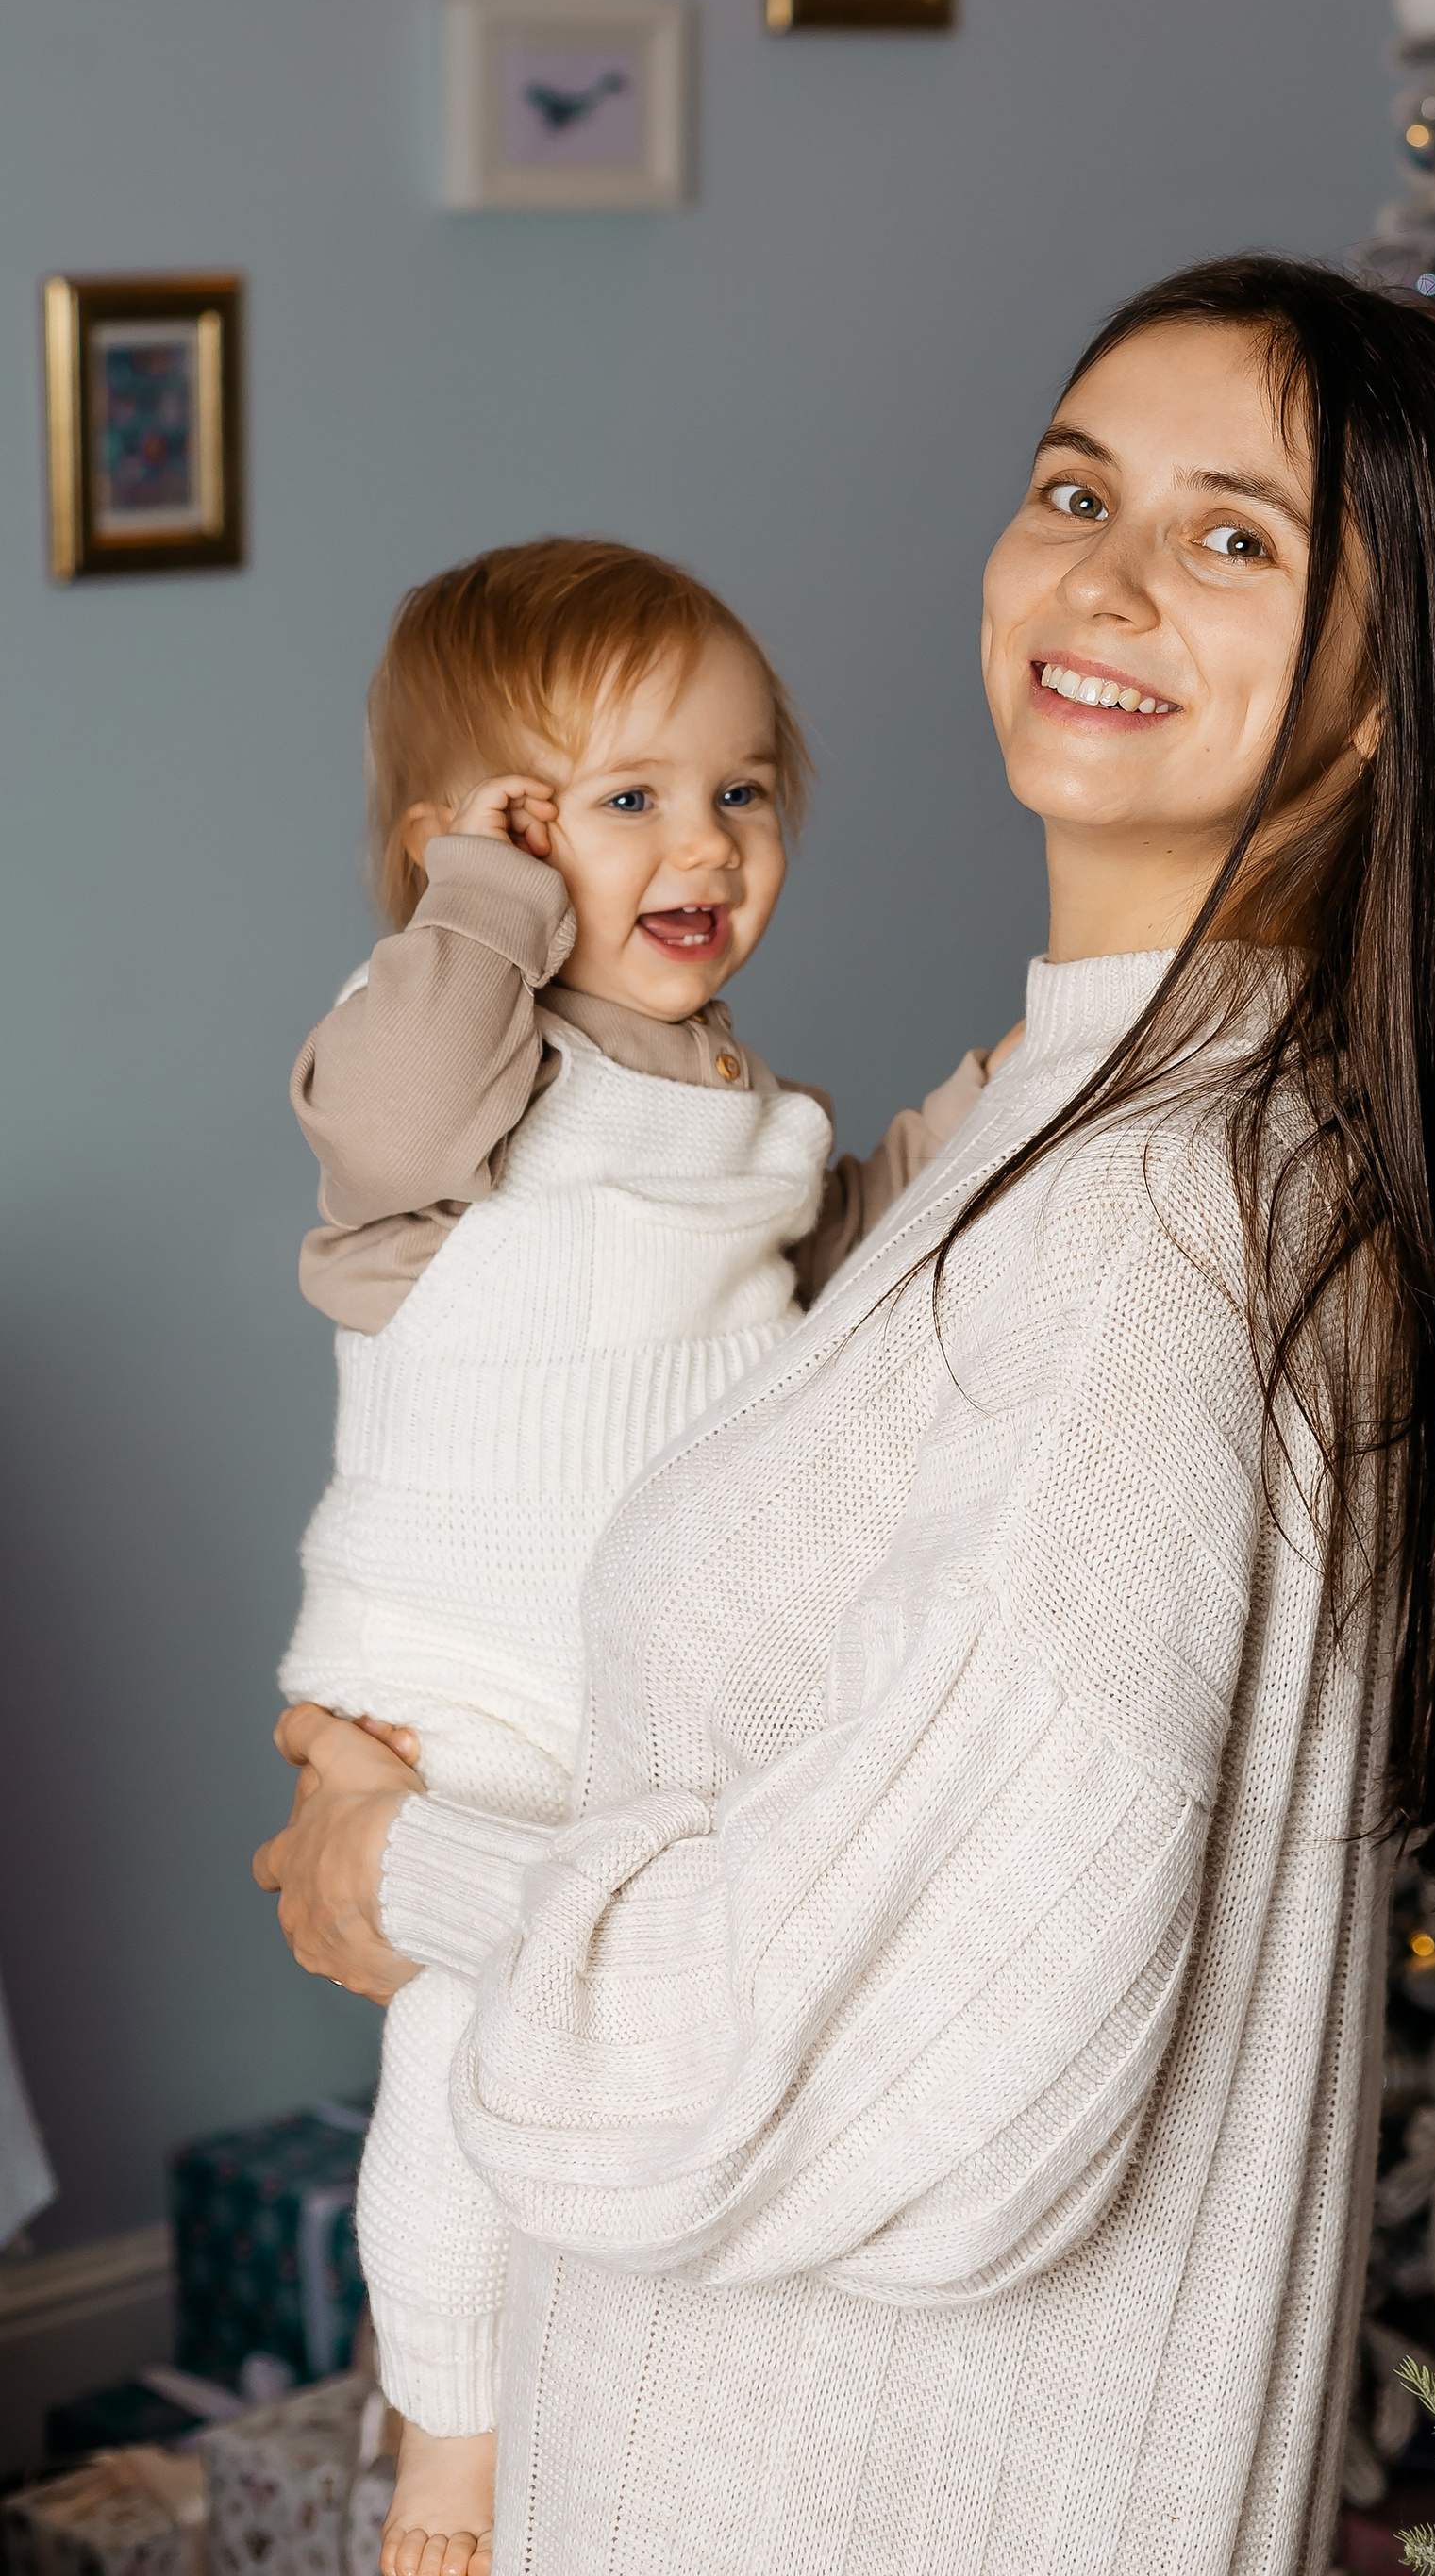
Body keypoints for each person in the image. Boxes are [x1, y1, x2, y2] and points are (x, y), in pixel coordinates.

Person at [258, 259, 1435, 2576]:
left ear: (1376, 699)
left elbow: (936, 2063)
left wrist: (408, 1873)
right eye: (1074, 492)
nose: (1104, 576)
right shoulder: (1098, 1127)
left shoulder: (1150, 1230)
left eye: (1233, 536)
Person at [278, 538, 993, 2575]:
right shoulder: (449, 1074)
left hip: (671, 1685)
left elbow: (837, 1279)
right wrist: (481, 904)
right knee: (468, 2049)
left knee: (669, 2041)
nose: (707, 845)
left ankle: (683, 2406)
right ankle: (450, 2430)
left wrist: (997, 1113)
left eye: (742, 789)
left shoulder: (739, 1098)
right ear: (472, 851)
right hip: (468, 1685)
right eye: (624, 801)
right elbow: (394, 1108)